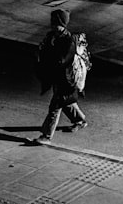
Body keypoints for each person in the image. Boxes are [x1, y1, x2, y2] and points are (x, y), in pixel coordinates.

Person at [32, 8, 88, 145]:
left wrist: (48, 55)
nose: (52, 25)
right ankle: (80, 121)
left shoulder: (69, 41)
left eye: (55, 23)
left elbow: (61, 61)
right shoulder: (51, 36)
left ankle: (46, 136)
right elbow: (43, 51)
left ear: (62, 24)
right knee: (66, 102)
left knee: (55, 106)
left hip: (66, 79)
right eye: (52, 22)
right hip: (57, 78)